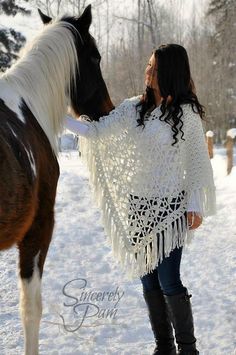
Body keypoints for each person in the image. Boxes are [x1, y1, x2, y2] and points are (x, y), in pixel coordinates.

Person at [66, 44, 216, 355]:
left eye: (154, 68)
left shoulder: (186, 114)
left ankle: (188, 350)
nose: (147, 72)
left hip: (171, 208)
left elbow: (197, 161)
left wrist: (195, 204)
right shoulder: (134, 108)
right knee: (149, 283)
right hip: (139, 209)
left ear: (170, 73)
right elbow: (96, 132)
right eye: (148, 65)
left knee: (169, 279)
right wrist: (56, 116)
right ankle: (164, 348)